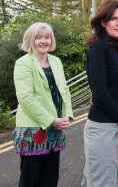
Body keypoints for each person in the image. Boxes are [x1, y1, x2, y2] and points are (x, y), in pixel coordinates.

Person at [82, 0, 118, 187]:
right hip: (102, 130)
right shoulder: (98, 49)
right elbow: (100, 95)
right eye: (114, 18)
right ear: (102, 22)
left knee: (114, 182)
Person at [12, 22, 74, 187]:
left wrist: (66, 115)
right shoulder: (23, 63)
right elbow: (26, 98)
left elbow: (65, 90)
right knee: (30, 181)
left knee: (50, 179)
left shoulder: (56, 61)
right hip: (32, 130)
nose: (43, 41)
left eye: (47, 37)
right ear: (31, 40)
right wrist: (52, 120)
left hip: (55, 129)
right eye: (38, 37)